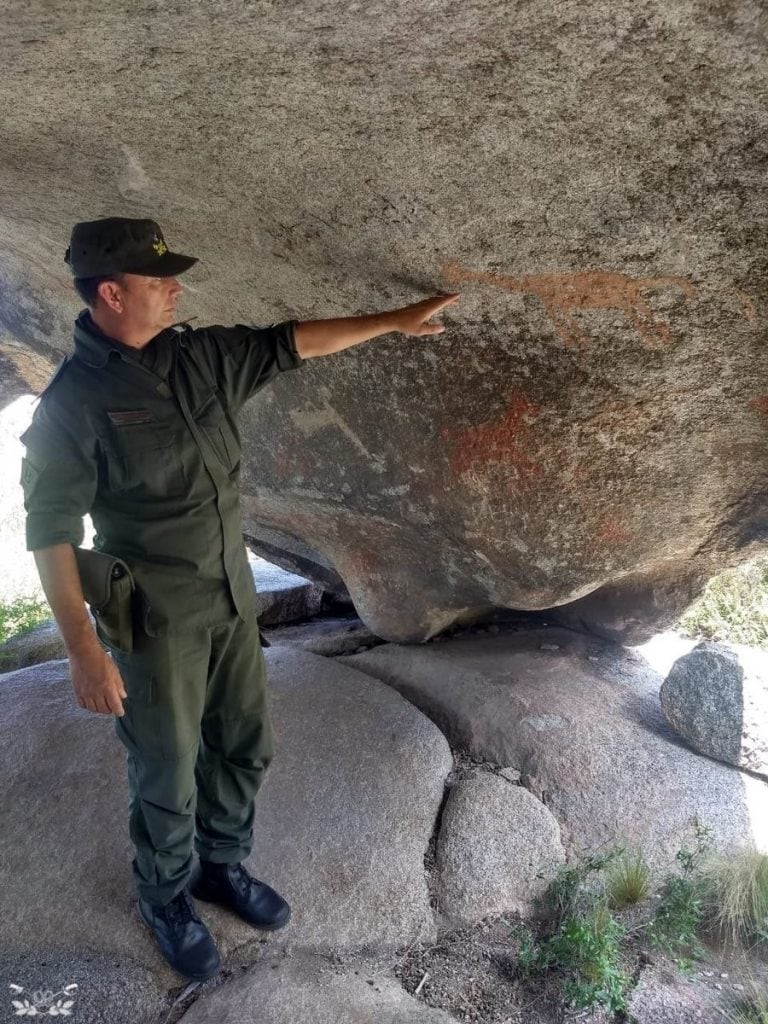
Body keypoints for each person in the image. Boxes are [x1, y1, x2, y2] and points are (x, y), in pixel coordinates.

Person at [19, 216, 459, 982]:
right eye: (159, 281)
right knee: (166, 765)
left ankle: (220, 865)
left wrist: (393, 321)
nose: (175, 288)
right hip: (155, 620)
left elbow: (292, 343)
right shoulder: (73, 402)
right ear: (113, 294)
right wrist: (86, 653)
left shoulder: (201, 357)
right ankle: (163, 895)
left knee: (245, 745)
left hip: (231, 600)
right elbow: (49, 533)